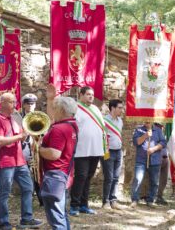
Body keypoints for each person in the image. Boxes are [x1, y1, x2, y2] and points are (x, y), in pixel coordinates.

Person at [47, 85, 106, 216]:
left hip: (95, 149)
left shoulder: (96, 108)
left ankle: (84, 205)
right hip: (81, 149)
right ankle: (74, 205)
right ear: (81, 95)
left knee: (88, 177)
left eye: (92, 94)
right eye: (88, 94)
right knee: (81, 177)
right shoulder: (76, 108)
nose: (91, 96)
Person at [0, 93, 43, 230]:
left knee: (28, 188)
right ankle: (4, 222)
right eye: (11, 102)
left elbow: (22, 138)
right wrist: (20, 136)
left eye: (15, 102)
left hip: (20, 161)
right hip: (6, 162)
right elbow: (0, 141)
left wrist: (29, 135)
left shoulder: (15, 118)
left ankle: (26, 218)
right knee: (4, 192)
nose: (15, 105)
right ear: (2, 103)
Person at [40, 96, 78, 230]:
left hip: (55, 176)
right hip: (65, 174)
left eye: (55, 108)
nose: (53, 111)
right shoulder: (72, 125)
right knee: (62, 214)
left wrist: (39, 148)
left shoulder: (59, 129)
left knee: (56, 217)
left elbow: (54, 154)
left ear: (61, 110)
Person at [130, 121, 166, 208]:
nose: (147, 120)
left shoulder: (158, 130)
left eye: (149, 119)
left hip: (155, 160)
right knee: (137, 179)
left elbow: (163, 143)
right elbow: (136, 142)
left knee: (154, 181)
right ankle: (135, 199)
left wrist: (154, 149)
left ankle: (150, 200)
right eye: (145, 119)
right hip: (141, 160)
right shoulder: (139, 130)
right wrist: (145, 135)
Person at [20, 93, 43, 207]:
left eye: (32, 104)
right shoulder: (19, 118)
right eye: (28, 104)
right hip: (23, 149)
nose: (30, 106)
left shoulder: (39, 117)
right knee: (25, 174)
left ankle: (41, 200)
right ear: (24, 105)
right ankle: (27, 197)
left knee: (37, 174)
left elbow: (43, 133)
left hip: (36, 148)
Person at [102, 99, 124, 210]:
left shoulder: (120, 121)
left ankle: (113, 200)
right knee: (109, 177)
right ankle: (105, 201)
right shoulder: (104, 120)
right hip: (108, 151)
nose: (121, 110)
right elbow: (102, 136)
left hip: (118, 151)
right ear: (112, 108)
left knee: (116, 178)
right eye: (119, 107)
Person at [156, 124, 169, 205]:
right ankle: (155, 196)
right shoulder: (155, 131)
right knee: (156, 178)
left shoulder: (165, 131)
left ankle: (160, 196)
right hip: (158, 157)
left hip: (165, 157)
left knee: (164, 179)